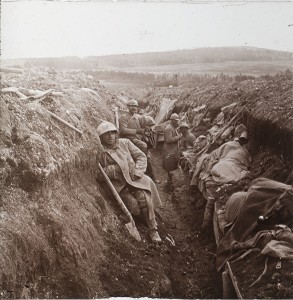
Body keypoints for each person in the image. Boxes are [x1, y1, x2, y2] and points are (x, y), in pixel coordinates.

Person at [97, 121, 162, 243]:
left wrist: (138, 171)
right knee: (133, 206)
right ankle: (142, 218)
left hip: (134, 178)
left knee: (143, 197)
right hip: (119, 185)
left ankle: (153, 228)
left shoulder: (125, 143)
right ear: (101, 137)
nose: (111, 136)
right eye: (107, 134)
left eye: (112, 133)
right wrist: (113, 169)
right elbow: (99, 175)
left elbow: (141, 156)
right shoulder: (101, 153)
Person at [119, 99, 157, 182]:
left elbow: (146, 122)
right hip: (128, 139)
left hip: (138, 137)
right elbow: (123, 130)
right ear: (128, 107)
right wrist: (137, 131)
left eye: (135, 106)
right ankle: (142, 170)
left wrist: (147, 128)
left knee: (149, 145)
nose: (134, 108)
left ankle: (151, 176)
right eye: (132, 106)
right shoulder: (123, 117)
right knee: (144, 147)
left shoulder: (137, 116)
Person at [162, 113, 182, 189]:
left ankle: (170, 183)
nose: (177, 122)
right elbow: (168, 140)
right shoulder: (169, 128)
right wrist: (179, 137)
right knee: (169, 167)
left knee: (172, 167)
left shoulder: (172, 127)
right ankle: (169, 184)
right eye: (176, 121)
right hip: (169, 150)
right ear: (172, 120)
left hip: (172, 150)